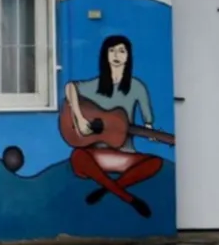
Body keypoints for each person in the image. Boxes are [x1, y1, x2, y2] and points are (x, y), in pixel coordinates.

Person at [63, 34, 162, 217]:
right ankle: (128, 197)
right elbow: (70, 87)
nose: (116, 55)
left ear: (128, 56)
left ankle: (107, 190)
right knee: (78, 156)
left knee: (156, 162)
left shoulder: (137, 86)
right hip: (96, 155)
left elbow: (148, 123)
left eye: (122, 51)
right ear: (105, 55)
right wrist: (80, 118)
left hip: (125, 155)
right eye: (112, 50)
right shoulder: (95, 85)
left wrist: (150, 132)